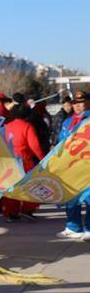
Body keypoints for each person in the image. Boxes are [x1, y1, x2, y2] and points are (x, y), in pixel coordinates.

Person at [0, 104, 46, 222]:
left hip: (9, 162)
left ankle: (11, 213)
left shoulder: (6, 126)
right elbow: (34, 145)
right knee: (29, 186)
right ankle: (27, 209)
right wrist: (42, 158)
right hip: (24, 161)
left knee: (11, 188)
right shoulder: (27, 126)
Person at [57, 91, 90, 240]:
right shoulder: (68, 122)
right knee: (71, 197)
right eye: (75, 103)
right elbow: (60, 144)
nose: (77, 105)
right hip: (70, 166)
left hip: (87, 165)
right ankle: (73, 226)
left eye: (81, 102)